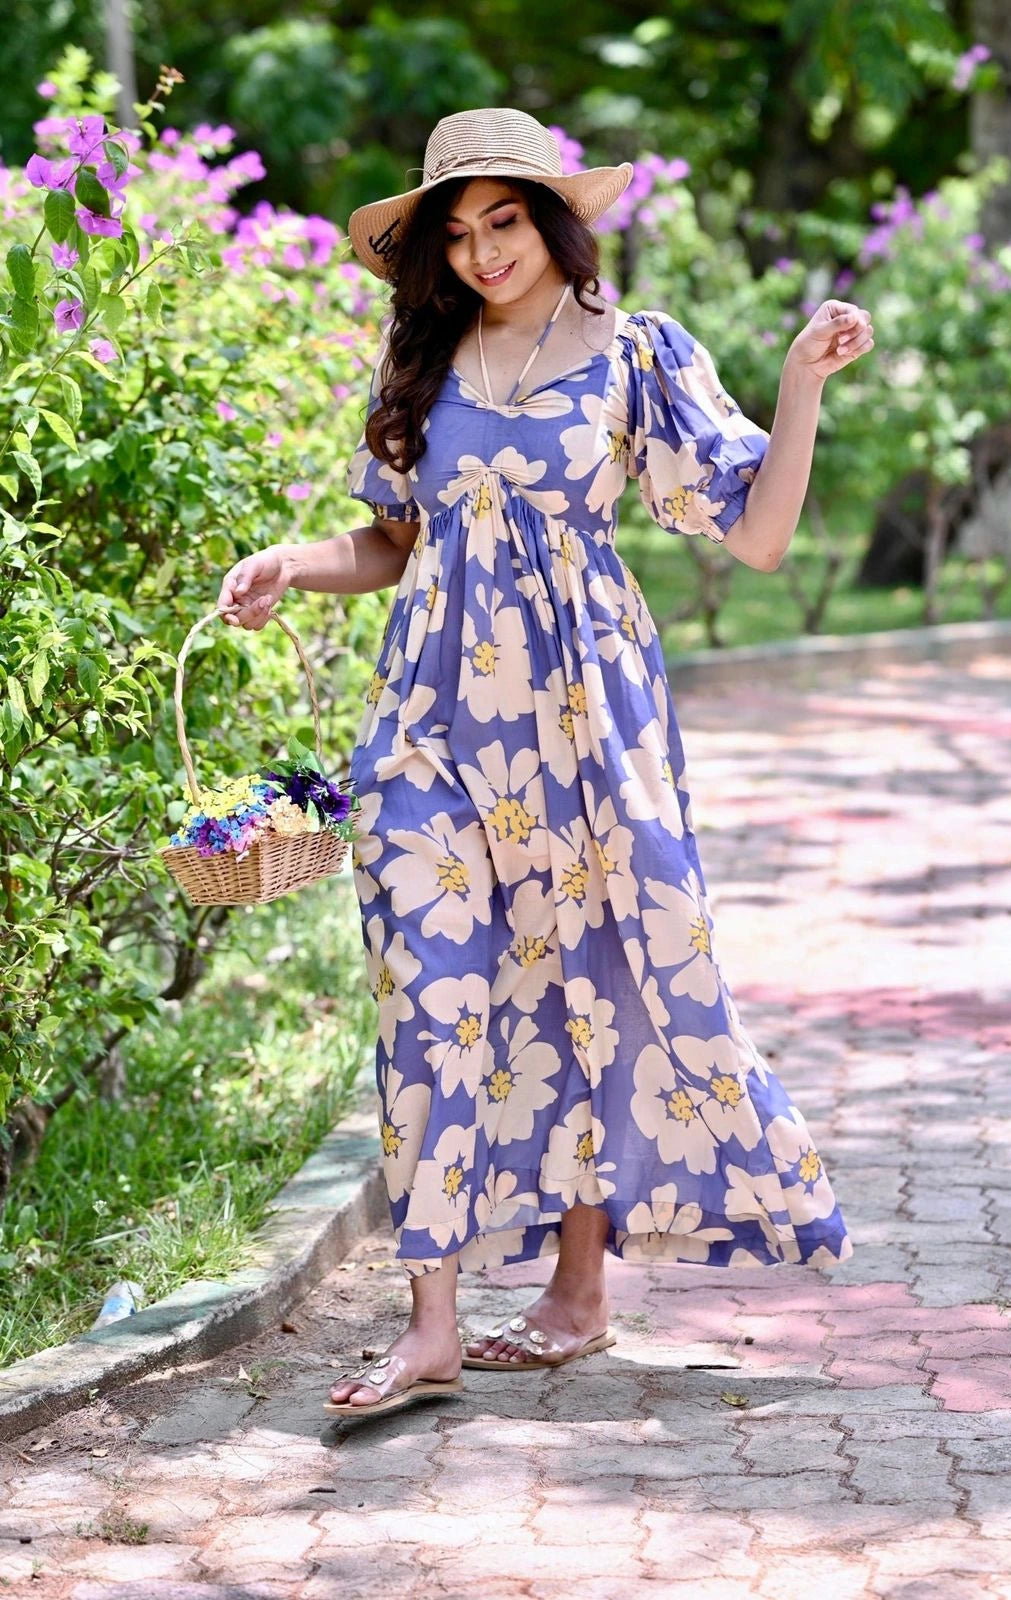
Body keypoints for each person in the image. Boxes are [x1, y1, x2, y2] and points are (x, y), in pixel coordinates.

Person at [217, 107, 872, 1420]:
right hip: (432, 720)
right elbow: (392, 542)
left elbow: (755, 537)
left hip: (588, 719)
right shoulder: (427, 363)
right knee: (431, 982)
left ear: (551, 219)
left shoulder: (636, 356)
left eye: (502, 220)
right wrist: (298, 562)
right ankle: (433, 1326)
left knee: (594, 974)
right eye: (456, 235)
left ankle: (579, 1292)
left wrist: (798, 385)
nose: (481, 254)